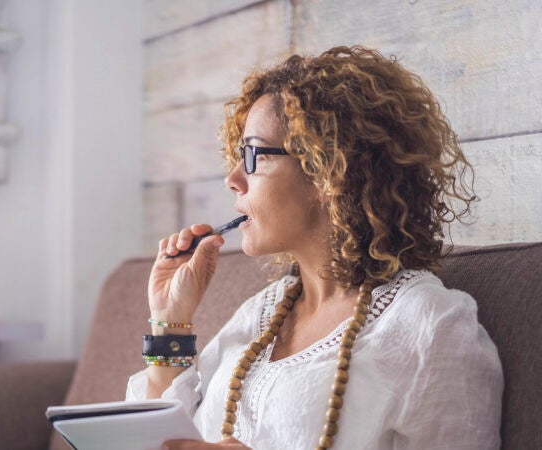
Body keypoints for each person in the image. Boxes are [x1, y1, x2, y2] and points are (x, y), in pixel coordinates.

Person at [126, 46, 503, 449]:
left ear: (328, 169)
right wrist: (169, 320)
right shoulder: (261, 313)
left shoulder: (429, 324)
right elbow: (159, 439)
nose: (232, 179)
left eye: (253, 155)